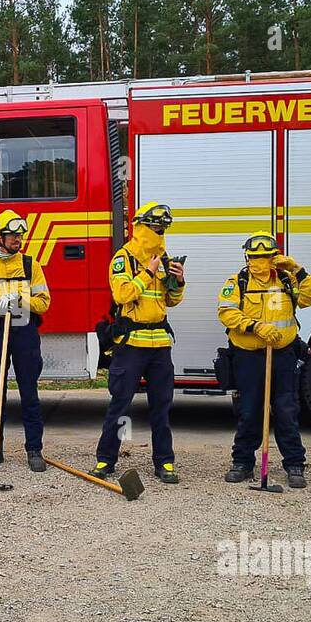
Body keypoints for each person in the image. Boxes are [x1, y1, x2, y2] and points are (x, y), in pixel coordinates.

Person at [217, 232, 311, 488]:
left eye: (265, 256)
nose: (260, 261)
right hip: (248, 356)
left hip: (283, 355)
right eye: (255, 257)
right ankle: (242, 462)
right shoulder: (237, 281)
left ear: (275, 256)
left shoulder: (287, 279)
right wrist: (254, 327)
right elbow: (226, 313)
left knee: (287, 410)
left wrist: (298, 270)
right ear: (247, 257)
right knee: (249, 409)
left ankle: (294, 464)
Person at [92, 202, 185, 484]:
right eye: (156, 227)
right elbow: (122, 294)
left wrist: (178, 282)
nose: (160, 232)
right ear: (142, 227)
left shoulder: (163, 258)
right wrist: (148, 272)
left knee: (161, 406)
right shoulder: (124, 258)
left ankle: (164, 463)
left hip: (159, 344)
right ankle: (106, 460)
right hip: (131, 344)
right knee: (120, 406)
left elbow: (171, 301)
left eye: (163, 228)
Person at [0, 209, 51, 472]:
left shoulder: (30, 265)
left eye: (20, 235)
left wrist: (20, 301)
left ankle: (34, 450)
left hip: (24, 331)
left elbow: (44, 302)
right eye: (13, 235)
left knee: (29, 392)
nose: (18, 239)